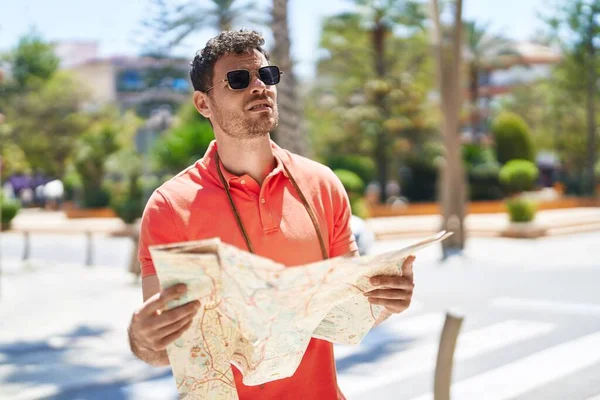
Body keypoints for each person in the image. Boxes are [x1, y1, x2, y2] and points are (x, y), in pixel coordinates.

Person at [127, 29, 416, 400]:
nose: (259, 87)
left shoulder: (321, 184)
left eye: (266, 75)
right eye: (238, 80)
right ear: (203, 103)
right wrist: (141, 339)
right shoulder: (171, 206)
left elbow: (345, 312)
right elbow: (165, 346)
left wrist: (385, 301)